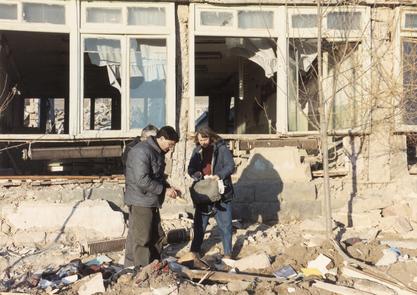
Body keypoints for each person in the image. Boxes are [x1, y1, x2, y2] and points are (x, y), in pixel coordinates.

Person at [124, 126, 180, 268]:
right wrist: (164, 190)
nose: (171, 148)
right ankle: (141, 271)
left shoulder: (156, 152)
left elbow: (156, 177)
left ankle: (152, 267)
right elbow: (142, 180)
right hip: (140, 201)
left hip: (150, 200)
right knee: (142, 239)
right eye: (170, 144)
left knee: (156, 236)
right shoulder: (141, 152)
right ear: (161, 139)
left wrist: (168, 187)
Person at [187, 126, 235, 261]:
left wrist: (219, 175)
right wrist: (195, 173)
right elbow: (191, 168)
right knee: (199, 223)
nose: (203, 142)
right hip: (204, 191)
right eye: (200, 140)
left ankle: (227, 253)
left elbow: (230, 166)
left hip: (222, 191)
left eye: (205, 139)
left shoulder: (221, 148)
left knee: (225, 224)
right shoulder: (197, 150)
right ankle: (195, 251)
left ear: (210, 136)